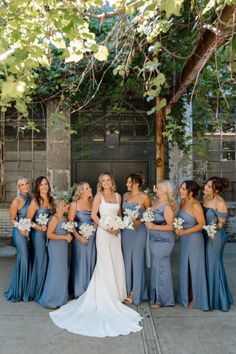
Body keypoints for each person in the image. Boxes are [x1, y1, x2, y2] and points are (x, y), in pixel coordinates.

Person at [49, 172, 142, 337]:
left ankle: (117, 293)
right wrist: (106, 227)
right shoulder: (98, 196)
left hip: (116, 233)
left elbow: (119, 215)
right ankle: (106, 293)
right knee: (104, 262)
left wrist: (118, 226)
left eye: (108, 180)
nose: (106, 182)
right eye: (103, 180)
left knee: (116, 261)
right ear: (101, 183)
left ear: (111, 182)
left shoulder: (119, 196)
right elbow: (93, 215)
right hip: (104, 233)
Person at [176, 180, 209, 310]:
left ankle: (196, 298)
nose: (180, 191)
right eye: (181, 188)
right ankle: (186, 295)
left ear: (191, 191)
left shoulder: (195, 205)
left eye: (183, 189)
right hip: (185, 240)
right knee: (186, 267)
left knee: (194, 268)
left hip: (194, 240)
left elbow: (201, 224)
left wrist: (184, 231)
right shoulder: (183, 202)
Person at [203, 176, 233, 311]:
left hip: (216, 237)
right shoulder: (206, 199)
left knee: (214, 265)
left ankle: (218, 300)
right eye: (206, 185)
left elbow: (221, 223)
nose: (205, 187)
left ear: (216, 189)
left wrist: (212, 229)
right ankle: (208, 296)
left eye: (209, 186)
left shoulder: (220, 203)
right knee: (207, 265)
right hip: (205, 235)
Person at [145, 180, 176, 308]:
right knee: (156, 268)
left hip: (164, 241)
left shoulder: (167, 206)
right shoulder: (156, 202)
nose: (155, 190)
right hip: (154, 240)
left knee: (161, 269)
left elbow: (170, 227)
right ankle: (155, 296)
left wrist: (152, 226)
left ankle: (161, 299)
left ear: (164, 190)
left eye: (157, 188)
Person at [122, 172, 150, 305]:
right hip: (126, 232)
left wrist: (139, 220)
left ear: (137, 184)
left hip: (139, 232)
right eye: (127, 182)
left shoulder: (144, 197)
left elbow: (150, 214)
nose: (127, 184)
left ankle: (135, 292)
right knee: (127, 261)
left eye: (129, 182)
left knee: (137, 261)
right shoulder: (125, 196)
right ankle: (126, 289)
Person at [38, 199, 72, 308]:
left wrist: (68, 237)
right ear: (57, 208)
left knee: (62, 270)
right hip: (55, 247)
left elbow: (65, 232)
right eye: (63, 205)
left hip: (63, 247)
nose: (65, 206)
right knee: (55, 270)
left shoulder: (65, 218)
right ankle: (50, 299)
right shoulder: (54, 219)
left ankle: (60, 298)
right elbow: (49, 235)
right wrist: (64, 237)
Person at [5, 177, 32, 302]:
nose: (25, 186)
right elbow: (12, 219)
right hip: (19, 233)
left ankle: (28, 289)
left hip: (30, 232)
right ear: (19, 187)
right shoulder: (16, 201)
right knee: (24, 259)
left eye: (27, 184)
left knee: (29, 259)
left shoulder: (31, 198)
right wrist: (21, 228)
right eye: (22, 185)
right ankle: (19, 291)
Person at [27, 176, 53, 301]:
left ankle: (47, 288)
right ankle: (37, 291)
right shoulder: (35, 202)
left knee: (49, 260)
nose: (44, 187)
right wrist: (39, 227)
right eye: (41, 185)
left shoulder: (51, 200)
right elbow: (27, 221)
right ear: (38, 187)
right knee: (41, 260)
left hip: (51, 235)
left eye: (46, 184)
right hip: (39, 236)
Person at [68, 181, 96, 298]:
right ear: (80, 191)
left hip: (92, 238)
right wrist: (79, 237)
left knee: (91, 261)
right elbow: (70, 223)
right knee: (80, 263)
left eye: (89, 187)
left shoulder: (92, 202)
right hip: (79, 238)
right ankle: (79, 291)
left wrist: (94, 226)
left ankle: (90, 289)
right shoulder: (74, 204)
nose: (89, 190)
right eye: (86, 188)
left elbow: (96, 219)